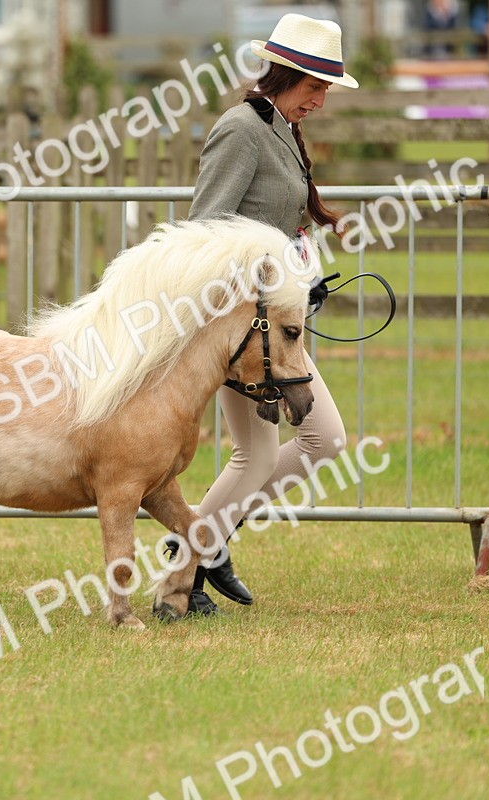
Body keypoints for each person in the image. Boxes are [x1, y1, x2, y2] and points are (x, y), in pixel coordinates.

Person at [179, 13, 357, 616]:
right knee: (262, 454)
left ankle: (201, 540)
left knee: (322, 441)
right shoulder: (241, 129)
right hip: (238, 326)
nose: (321, 100)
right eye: (316, 86)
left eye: (326, 89)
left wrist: (298, 264)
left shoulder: (279, 125)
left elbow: (269, 218)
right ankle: (188, 564)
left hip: (270, 323)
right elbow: (205, 231)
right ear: (286, 74)